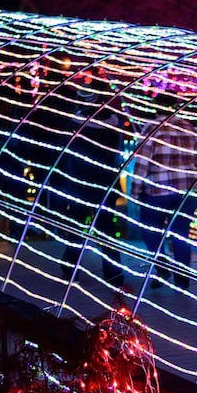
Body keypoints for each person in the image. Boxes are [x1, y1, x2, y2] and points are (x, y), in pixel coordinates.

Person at [131, 109, 197, 291]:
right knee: (181, 234)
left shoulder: (152, 128)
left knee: (151, 231)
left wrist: (135, 191)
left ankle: (162, 266)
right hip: (187, 190)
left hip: (157, 190)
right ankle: (182, 281)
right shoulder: (189, 128)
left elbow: (142, 162)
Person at [55, 108, 129, 288]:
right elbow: (115, 156)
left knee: (76, 230)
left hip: (79, 185)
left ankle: (70, 270)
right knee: (107, 232)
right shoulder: (113, 127)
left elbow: (63, 151)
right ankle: (114, 276)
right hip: (103, 186)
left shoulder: (75, 126)